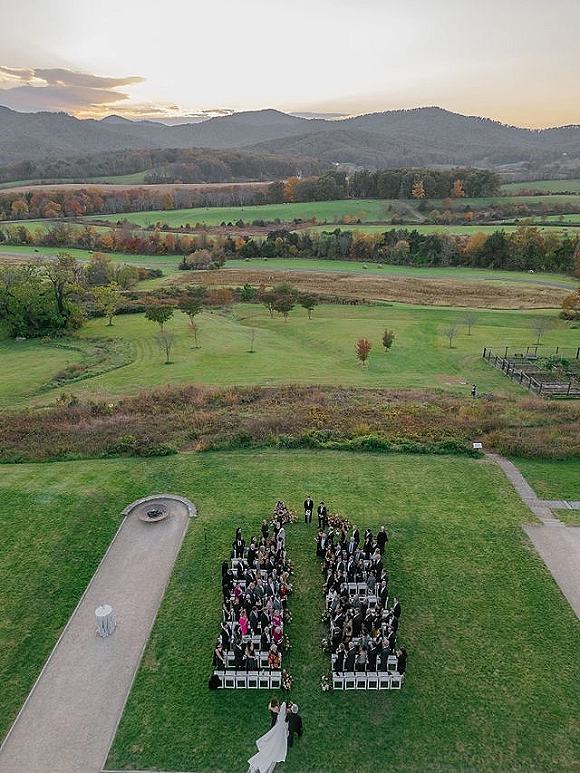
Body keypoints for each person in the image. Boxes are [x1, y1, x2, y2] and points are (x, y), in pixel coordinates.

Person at [247, 700, 288, 773]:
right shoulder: (281, 713)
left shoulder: (279, 712)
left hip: (278, 725)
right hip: (280, 726)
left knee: (273, 737)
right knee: (276, 741)